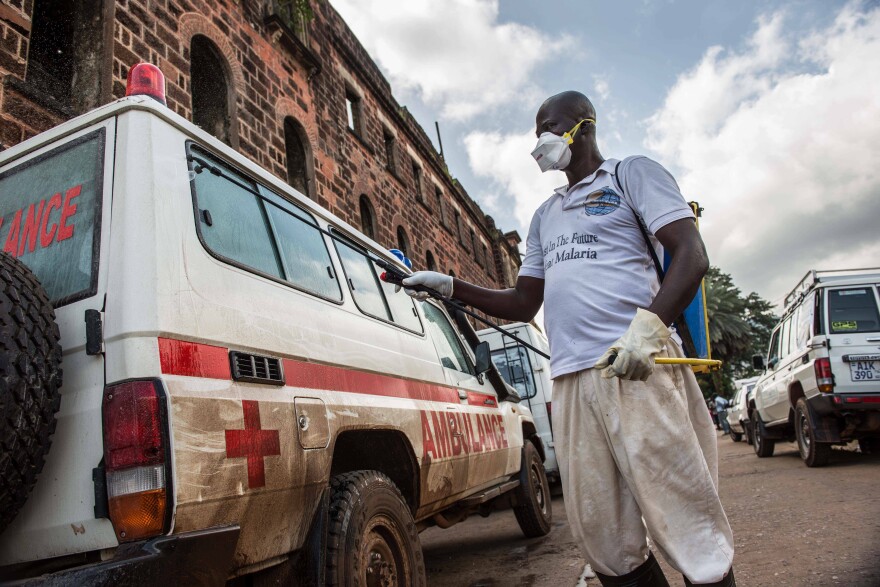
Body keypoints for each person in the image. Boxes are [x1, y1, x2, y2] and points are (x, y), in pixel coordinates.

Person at [399, 91, 735, 586]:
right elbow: (521, 302)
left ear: (585, 126)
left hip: (637, 366)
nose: (541, 142)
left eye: (550, 128)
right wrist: (451, 287)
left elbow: (691, 254)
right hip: (573, 382)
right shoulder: (544, 216)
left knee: (684, 519)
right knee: (604, 536)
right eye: (536, 133)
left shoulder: (631, 175)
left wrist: (648, 330)